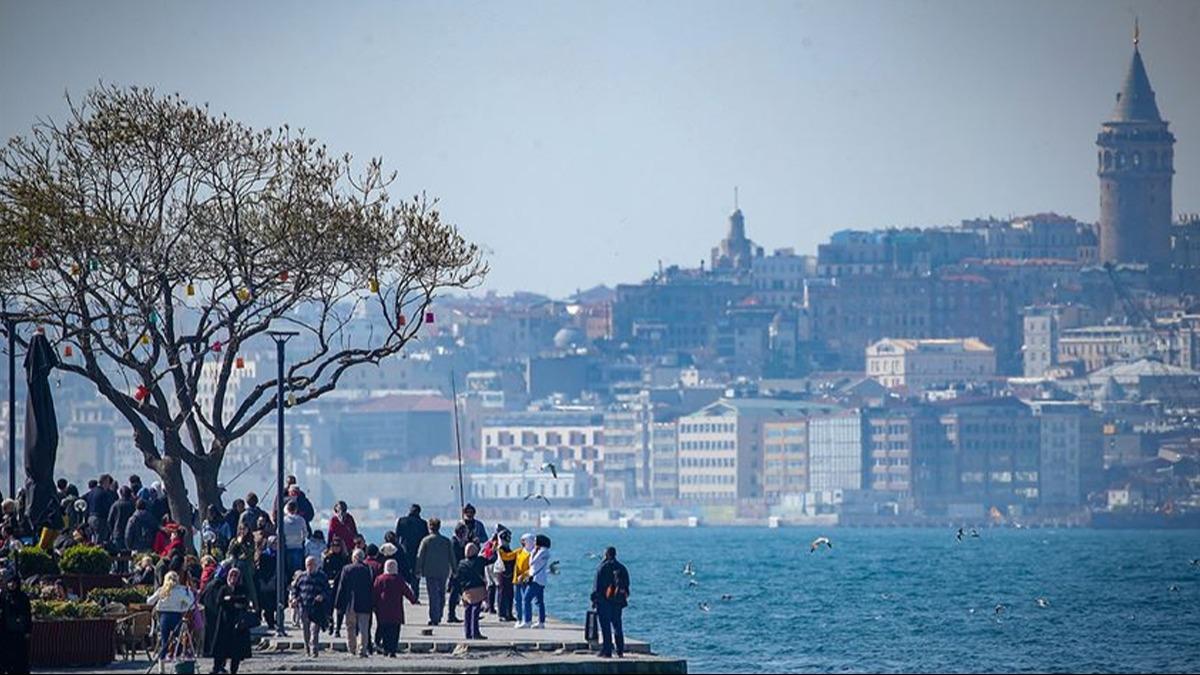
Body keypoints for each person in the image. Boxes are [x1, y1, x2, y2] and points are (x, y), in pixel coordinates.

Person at [147, 571, 196, 667]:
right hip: (176, 616)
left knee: (164, 640)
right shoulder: (181, 591)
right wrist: (188, 595)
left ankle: (161, 665)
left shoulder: (162, 590)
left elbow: (149, 602)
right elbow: (191, 604)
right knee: (179, 639)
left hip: (163, 617)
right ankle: (176, 660)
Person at [372, 558, 418, 657]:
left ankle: (386, 649)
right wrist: (413, 600)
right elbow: (407, 592)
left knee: (385, 630)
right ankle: (392, 650)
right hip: (396, 610)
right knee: (395, 631)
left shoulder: (380, 579)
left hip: (382, 610)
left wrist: (373, 605)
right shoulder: (399, 579)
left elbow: (374, 593)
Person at [211, 567, 253, 674]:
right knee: (221, 648)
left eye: (235, 576)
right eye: (231, 575)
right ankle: (217, 668)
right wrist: (232, 600)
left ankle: (234, 670)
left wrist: (231, 599)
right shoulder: (223, 588)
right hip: (224, 622)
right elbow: (219, 601)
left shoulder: (242, 588)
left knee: (236, 651)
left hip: (237, 622)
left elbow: (244, 600)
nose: (233, 578)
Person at [414, 517, 454, 627]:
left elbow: (420, 556)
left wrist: (418, 570)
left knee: (433, 595)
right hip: (443, 571)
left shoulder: (426, 541)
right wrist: (454, 570)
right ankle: (439, 614)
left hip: (430, 571)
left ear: (429, 527)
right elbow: (452, 557)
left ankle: (434, 617)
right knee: (441, 594)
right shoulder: (446, 541)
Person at [334, 548, 374, 658]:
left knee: (350, 627)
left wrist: (338, 604)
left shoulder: (347, 569)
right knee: (363, 627)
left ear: (354, 558)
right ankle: (362, 650)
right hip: (365, 602)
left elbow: (341, 588)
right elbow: (372, 587)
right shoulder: (368, 569)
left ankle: (352, 648)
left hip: (350, 602)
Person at [591, 546, 630, 658]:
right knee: (617, 626)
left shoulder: (602, 568)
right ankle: (620, 650)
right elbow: (627, 585)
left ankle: (607, 650)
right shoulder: (622, 568)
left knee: (606, 627)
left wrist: (594, 600)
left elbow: (596, 587)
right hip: (617, 602)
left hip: (604, 601)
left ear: (607, 555)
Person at [455, 542, 496, 640]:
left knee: (467, 610)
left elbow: (458, 578)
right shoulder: (479, 561)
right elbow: (492, 559)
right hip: (478, 588)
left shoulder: (461, 563)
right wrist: (494, 550)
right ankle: (475, 633)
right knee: (475, 610)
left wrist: (460, 591)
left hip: (466, 590)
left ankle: (468, 633)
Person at [292, 556, 329, 658]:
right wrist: (294, 599)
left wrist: (322, 596)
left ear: (316, 565)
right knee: (306, 629)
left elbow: (327, 590)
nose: (310, 567)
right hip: (304, 607)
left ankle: (314, 649)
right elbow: (295, 590)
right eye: (308, 565)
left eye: (312, 565)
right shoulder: (301, 577)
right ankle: (307, 648)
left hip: (316, 608)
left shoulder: (321, 576)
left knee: (314, 630)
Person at [0, 567, 32, 675]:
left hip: (19, 633)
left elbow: (28, 614)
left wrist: (28, 630)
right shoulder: (4, 596)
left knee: (20, 658)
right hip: (6, 633)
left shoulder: (23, 597)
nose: (12, 585)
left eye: (14, 583)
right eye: (10, 583)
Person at [394, 504, 426, 600]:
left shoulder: (402, 521)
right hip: (417, 551)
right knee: (416, 574)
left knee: (403, 572)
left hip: (405, 551)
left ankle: (403, 592)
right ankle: (415, 595)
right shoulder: (423, 523)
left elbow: (397, 536)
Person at [321, 536, 349, 637]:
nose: (335, 547)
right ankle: (330, 624)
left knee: (340, 608)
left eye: (337, 546)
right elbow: (324, 571)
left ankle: (338, 629)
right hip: (330, 584)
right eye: (333, 545)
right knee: (329, 607)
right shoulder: (328, 558)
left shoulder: (345, 558)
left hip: (341, 585)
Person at [522, 535, 550, 630]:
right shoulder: (536, 551)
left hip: (537, 579)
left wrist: (535, 550)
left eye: (535, 541)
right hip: (534, 578)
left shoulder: (544, 551)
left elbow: (533, 562)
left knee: (527, 599)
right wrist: (534, 550)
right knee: (539, 601)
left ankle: (528, 621)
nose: (534, 542)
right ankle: (541, 622)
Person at [446, 523, 469, 623]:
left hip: (461, 571)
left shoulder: (461, 542)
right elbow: (455, 557)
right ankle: (451, 615)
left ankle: (469, 612)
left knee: (460, 593)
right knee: (455, 593)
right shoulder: (454, 542)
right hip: (456, 571)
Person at [511, 533, 534, 628]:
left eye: (524, 540)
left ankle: (527, 619)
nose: (522, 542)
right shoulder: (520, 551)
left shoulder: (533, 553)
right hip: (517, 579)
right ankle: (519, 619)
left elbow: (533, 568)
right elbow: (508, 556)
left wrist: (524, 575)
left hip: (526, 580)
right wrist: (499, 548)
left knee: (526, 600)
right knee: (517, 600)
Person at [494, 529, 517, 621]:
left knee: (510, 594)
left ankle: (509, 613)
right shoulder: (500, 549)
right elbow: (505, 558)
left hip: (510, 574)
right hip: (502, 574)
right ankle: (502, 614)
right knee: (502, 593)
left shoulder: (508, 549)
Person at [281, 501, 307, 579]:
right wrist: (301, 540)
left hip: (287, 547)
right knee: (298, 570)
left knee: (288, 569)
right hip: (298, 547)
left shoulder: (283, 520)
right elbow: (305, 533)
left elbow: (279, 533)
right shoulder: (301, 519)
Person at [107, 486, 135, 551]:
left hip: (117, 533)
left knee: (117, 552)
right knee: (127, 553)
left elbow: (109, 520)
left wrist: (112, 531)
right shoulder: (131, 505)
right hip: (129, 532)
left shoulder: (115, 504)